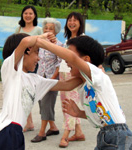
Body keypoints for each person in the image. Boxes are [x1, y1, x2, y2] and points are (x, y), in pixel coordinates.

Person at [36, 35, 132, 150]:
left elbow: (72, 59)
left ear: (86, 60)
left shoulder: (98, 75)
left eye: (69, 54)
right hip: (107, 134)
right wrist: (79, 113)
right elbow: (64, 85)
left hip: (117, 134)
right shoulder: (84, 83)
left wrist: (41, 42)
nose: (65, 60)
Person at [0, 33, 83, 150]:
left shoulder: (36, 80)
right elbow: (25, 42)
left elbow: (68, 85)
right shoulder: (10, 71)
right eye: (36, 52)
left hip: (16, 132)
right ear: (27, 50)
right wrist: (43, 37)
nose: (38, 58)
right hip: (6, 131)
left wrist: (88, 73)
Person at [31, 17, 63, 142]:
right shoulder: (40, 43)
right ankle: (53, 128)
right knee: (41, 102)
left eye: (51, 28)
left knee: (46, 104)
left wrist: (52, 79)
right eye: (46, 28)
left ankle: (42, 132)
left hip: (51, 79)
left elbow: (60, 64)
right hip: (40, 77)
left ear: (56, 31)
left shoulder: (59, 45)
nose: (48, 30)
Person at [59, 12, 85, 147]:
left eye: (75, 20)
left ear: (80, 23)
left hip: (73, 74)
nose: (72, 22)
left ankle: (65, 134)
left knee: (69, 103)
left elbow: (89, 57)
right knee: (66, 103)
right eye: (69, 20)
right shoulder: (67, 40)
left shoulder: (83, 39)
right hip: (63, 73)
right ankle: (79, 132)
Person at [15, 5, 43, 132]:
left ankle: (36, 122)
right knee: (23, 92)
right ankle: (29, 122)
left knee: (30, 91)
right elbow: (16, 45)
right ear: (22, 15)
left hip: (33, 63)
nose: (27, 15)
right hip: (21, 64)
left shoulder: (38, 30)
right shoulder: (19, 28)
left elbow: (42, 45)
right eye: (25, 13)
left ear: (34, 16)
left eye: (30, 13)